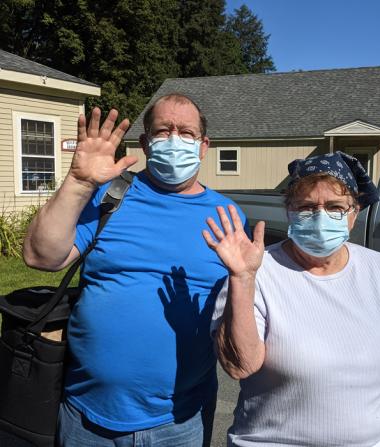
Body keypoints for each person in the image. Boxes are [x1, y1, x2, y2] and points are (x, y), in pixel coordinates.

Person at [23, 93, 248, 447]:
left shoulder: (228, 217)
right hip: (87, 418)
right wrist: (79, 184)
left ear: (204, 146)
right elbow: (41, 257)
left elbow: (241, 313)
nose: (175, 139)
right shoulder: (108, 196)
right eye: (163, 130)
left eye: (187, 133)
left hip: (180, 422)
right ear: (144, 143)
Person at [203, 152, 380, 447]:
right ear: (289, 211)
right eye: (307, 207)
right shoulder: (258, 272)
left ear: (354, 213)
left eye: (336, 207)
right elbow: (239, 367)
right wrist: (242, 279)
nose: (320, 216)